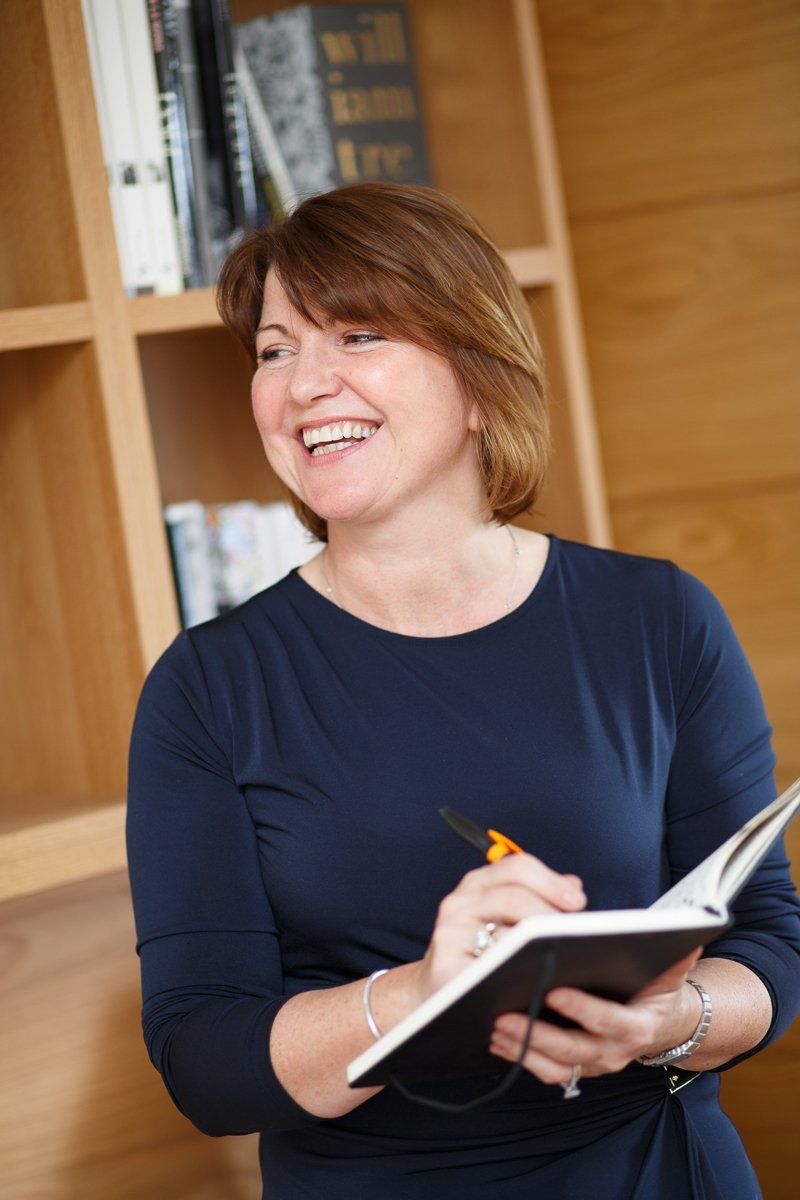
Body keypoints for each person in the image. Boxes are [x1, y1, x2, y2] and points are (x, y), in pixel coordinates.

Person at [126, 181, 800, 1199]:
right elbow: (204, 1059)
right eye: (275, 348)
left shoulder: (657, 618)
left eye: (355, 335)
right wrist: (419, 996)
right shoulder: (208, 687)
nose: (304, 382)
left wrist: (670, 1021)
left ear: (480, 382)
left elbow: (766, 938)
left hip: (657, 1171)